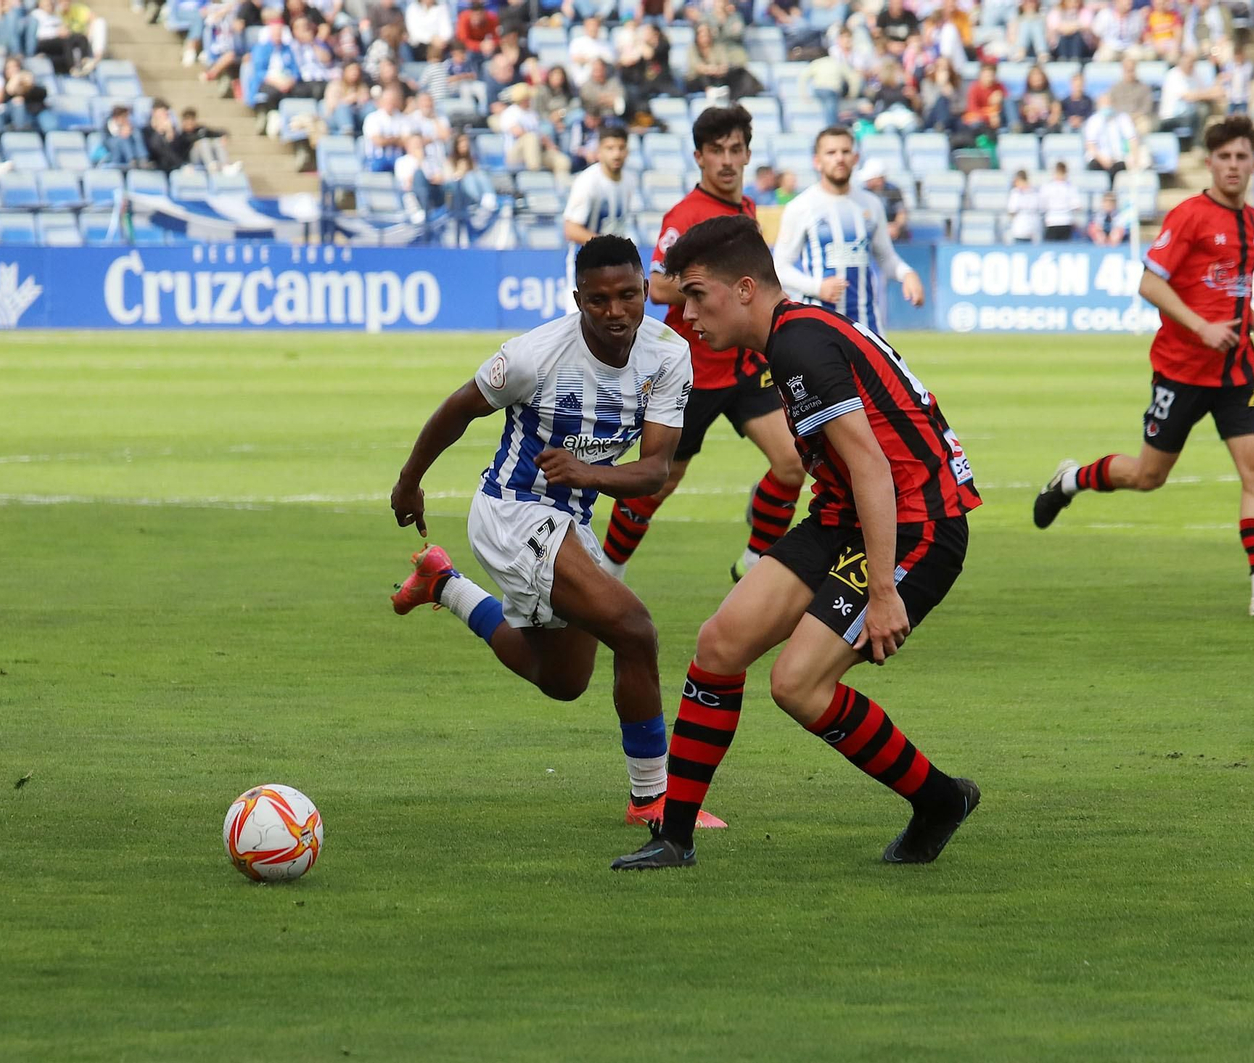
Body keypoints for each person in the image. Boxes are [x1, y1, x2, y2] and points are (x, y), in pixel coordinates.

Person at [611, 213, 982, 872]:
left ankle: (938, 799)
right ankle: (674, 836)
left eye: (697, 295)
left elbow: (871, 464)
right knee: (719, 644)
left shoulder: (798, 345)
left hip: (914, 523)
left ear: (745, 288)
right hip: (845, 515)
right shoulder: (793, 333)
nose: (686, 312)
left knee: (797, 684)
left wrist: (885, 589)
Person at [389, 236, 725, 835]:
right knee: (636, 630)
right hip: (511, 512)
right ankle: (653, 801)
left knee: (563, 681)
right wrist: (409, 481)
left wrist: (585, 473)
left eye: (629, 296)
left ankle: (443, 583)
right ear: (578, 299)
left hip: (570, 519)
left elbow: (654, 471)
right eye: (600, 300)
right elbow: (460, 408)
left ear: (646, 291)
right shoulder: (534, 356)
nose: (617, 312)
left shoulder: (669, 354)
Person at [1033, 116, 1254, 618]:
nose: (1233, 166)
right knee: (1148, 476)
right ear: (1210, 163)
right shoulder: (1188, 216)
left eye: (1241, 157)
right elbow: (1151, 283)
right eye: (1224, 157)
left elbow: (1233, 295)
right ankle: (1071, 479)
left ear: (1253, 163)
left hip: (1239, 373)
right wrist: (1201, 327)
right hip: (1182, 370)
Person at [598, 106, 807, 584]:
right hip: (692, 373)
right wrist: (708, 283)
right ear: (699, 157)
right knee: (660, 483)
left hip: (748, 366)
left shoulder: (749, 210)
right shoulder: (686, 216)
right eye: (717, 151)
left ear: (748, 154)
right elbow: (657, 283)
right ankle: (608, 570)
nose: (727, 160)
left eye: (736, 150)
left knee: (793, 462)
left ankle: (755, 565)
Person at [773, 126, 925, 338]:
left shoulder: (871, 204)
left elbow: (886, 257)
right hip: (819, 326)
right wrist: (817, 287)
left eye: (845, 152)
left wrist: (906, 273)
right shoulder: (801, 207)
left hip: (868, 325)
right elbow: (780, 267)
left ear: (855, 158)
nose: (839, 158)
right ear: (817, 161)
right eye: (831, 153)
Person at [562, 124, 640, 289]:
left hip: (615, 266)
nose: (616, 154)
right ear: (599, 151)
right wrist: (607, 247)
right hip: (586, 265)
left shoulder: (629, 180)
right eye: (610, 148)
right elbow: (571, 229)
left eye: (621, 148)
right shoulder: (588, 182)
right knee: (583, 314)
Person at [1083, 97, 1138, 178]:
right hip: (1099, 159)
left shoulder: (1122, 118)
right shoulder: (1093, 121)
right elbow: (1090, 145)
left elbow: (1132, 139)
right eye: (1104, 104)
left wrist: (1133, 157)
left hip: (1120, 160)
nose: (1107, 106)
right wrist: (1103, 159)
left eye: (1109, 103)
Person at [858, 157, 908, 243]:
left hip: (893, 233)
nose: (867, 182)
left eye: (870, 179)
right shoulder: (863, 192)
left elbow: (901, 213)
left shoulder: (893, 190)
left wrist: (895, 226)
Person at [1040, 160, 1079, 241]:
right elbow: (1042, 205)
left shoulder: (1070, 187)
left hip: (1064, 221)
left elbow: (1076, 205)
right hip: (1053, 221)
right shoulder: (1048, 187)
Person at [1007, 168, 1042, 243]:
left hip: (1023, 228)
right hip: (1030, 228)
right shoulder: (1035, 191)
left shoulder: (1016, 193)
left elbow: (1012, 211)